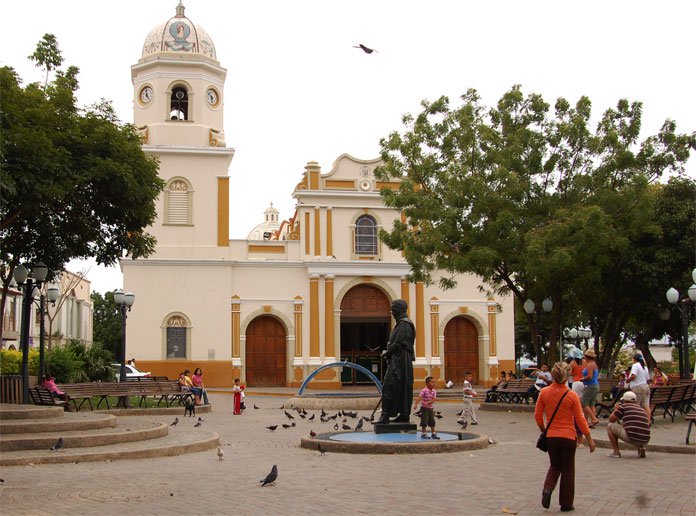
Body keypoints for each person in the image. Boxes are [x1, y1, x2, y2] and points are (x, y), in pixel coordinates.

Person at [534, 363, 596, 512]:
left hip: (552, 436)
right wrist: (589, 439)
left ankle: (548, 488)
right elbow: (580, 419)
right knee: (568, 470)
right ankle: (566, 503)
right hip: (568, 436)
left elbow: (537, 416)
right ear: (567, 376)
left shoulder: (544, 392)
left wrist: (544, 430)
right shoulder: (572, 395)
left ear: (553, 376)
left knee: (555, 464)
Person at [378, 299, 415, 424]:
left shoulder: (404, 324)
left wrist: (386, 353)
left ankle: (386, 416)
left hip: (401, 361)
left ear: (400, 309)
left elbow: (399, 343)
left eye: (393, 309)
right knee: (401, 388)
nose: (392, 311)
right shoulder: (401, 324)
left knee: (388, 387)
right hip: (398, 360)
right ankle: (403, 415)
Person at [606, 391, 650, 458]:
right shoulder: (641, 409)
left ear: (624, 400)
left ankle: (616, 452)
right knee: (633, 426)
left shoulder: (623, 407)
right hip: (645, 439)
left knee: (610, 426)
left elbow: (611, 419)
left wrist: (616, 409)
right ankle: (640, 447)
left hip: (633, 437)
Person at [580, 349, 600, 427]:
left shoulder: (589, 365)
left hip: (591, 385)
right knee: (592, 404)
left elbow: (590, 376)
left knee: (583, 402)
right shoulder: (594, 364)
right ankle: (591, 422)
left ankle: (593, 418)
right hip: (595, 385)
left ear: (586, 357)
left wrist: (583, 379)